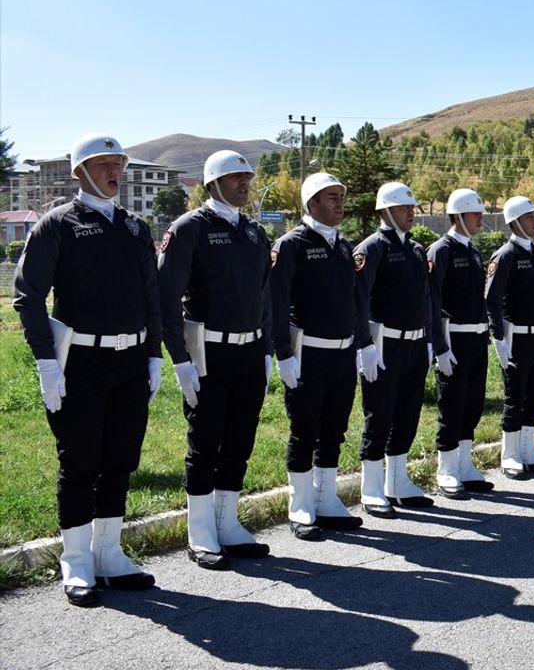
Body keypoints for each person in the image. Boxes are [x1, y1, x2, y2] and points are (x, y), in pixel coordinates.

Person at [13, 133, 162, 606]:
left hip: (130, 360)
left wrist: (154, 354)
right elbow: (28, 296)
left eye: (117, 164)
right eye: (102, 165)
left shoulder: (135, 228)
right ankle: (76, 560)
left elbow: (151, 297)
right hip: (81, 362)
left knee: (121, 458)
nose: (113, 172)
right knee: (80, 461)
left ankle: (109, 553)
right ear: (79, 172)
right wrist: (45, 362)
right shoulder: (57, 225)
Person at [157, 150, 273, 570]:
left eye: (247, 176)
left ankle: (227, 523)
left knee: (240, 439)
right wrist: (179, 359)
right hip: (208, 352)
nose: (245, 183)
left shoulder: (255, 233)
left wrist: (266, 351)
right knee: (205, 441)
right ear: (213, 183)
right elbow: (166, 297)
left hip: (248, 350)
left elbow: (265, 297)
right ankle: (201, 531)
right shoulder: (190, 229)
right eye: (235, 177)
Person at [270, 172, 371, 540]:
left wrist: (364, 344)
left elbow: (356, 301)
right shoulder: (292, 244)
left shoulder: (343, 246)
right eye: (330, 197)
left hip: (343, 355)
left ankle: (326, 499)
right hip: (307, 354)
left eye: (341, 196)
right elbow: (277, 303)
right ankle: (300, 506)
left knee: (334, 430)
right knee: (305, 430)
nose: (339, 202)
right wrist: (283, 354)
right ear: (310, 203)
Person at [353, 182, 439, 517]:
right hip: (384, 343)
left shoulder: (417, 250)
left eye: (412, 207)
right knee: (380, 413)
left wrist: (430, 339)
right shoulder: (371, 248)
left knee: (407, 413)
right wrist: (364, 346)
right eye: (404, 207)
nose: (411, 212)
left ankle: (398, 481)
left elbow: (426, 298)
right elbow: (359, 300)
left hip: (415, 342)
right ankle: (372, 486)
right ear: (385, 211)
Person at [427, 189, 496, 496]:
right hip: (454, 337)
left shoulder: (472, 250)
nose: (481, 219)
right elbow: (433, 300)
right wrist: (439, 346)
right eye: (475, 214)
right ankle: (446, 468)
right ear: (457, 216)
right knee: (451, 403)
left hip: (477, 336)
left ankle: (464, 464)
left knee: (472, 402)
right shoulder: (442, 251)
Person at [485, 196, 534, 478]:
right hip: (517, 338)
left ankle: (527, 449)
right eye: (529, 217)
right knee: (515, 396)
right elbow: (492, 299)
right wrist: (498, 337)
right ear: (514, 221)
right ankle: (510, 454)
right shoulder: (505, 255)